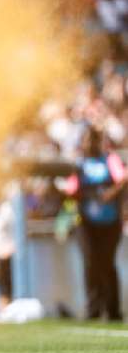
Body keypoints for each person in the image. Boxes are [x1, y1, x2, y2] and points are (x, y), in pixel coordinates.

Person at [62, 126, 125, 321]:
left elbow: (123, 179)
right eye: (86, 140)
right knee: (91, 263)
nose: (89, 144)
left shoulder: (110, 160)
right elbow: (70, 189)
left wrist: (109, 194)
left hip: (110, 221)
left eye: (93, 140)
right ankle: (93, 309)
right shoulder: (78, 165)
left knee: (107, 264)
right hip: (86, 222)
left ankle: (113, 310)